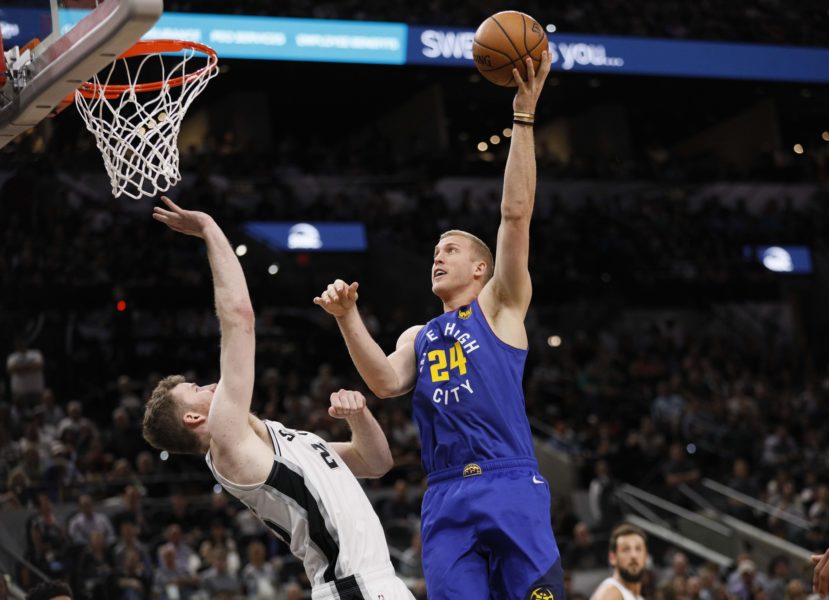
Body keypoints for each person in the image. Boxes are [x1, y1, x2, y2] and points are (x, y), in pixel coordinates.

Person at [314, 54, 561, 599]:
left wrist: (523, 116)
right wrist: (348, 317)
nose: (437, 256)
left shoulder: (501, 306)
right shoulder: (418, 336)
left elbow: (515, 215)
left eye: (450, 249)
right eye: (434, 250)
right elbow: (382, 381)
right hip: (446, 493)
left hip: (509, 480)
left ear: (481, 268)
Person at [141, 197, 414, 600]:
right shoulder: (227, 442)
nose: (210, 386)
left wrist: (359, 416)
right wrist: (210, 229)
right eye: (197, 391)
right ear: (195, 420)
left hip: (378, 583)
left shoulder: (283, 439)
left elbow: (376, 463)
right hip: (352, 589)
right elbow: (239, 319)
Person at [589, 524, 649, 600]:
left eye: (638, 549)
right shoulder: (610, 592)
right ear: (612, 558)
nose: (633, 555)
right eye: (626, 549)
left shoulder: (638, 597)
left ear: (646, 557)